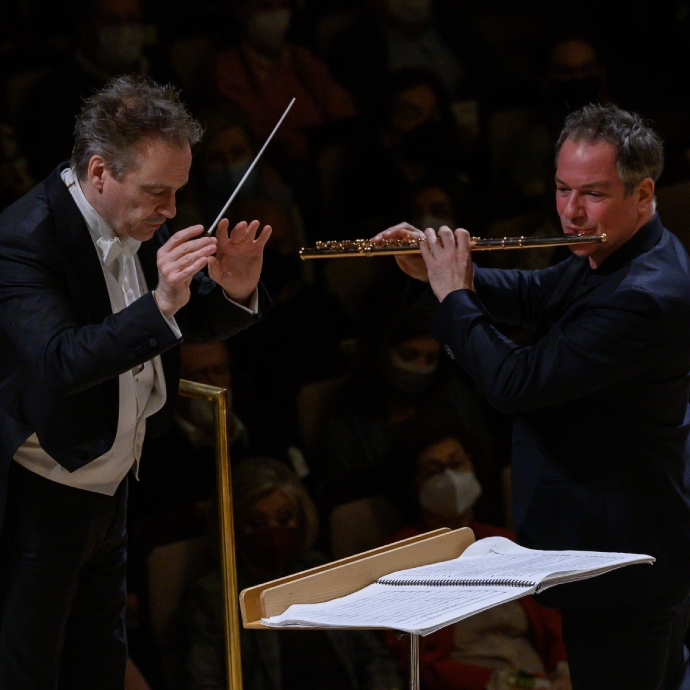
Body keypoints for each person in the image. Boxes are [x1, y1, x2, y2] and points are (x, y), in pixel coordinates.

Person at [374, 103, 690, 689]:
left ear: (644, 193)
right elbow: (536, 291)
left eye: (592, 194)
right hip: (605, 549)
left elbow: (515, 384)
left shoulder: (646, 295)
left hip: (622, 559)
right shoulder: (614, 250)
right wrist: (443, 269)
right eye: (562, 190)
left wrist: (453, 294)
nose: (571, 213)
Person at [0, 75, 271, 689]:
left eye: (177, 192)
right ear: (100, 172)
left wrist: (233, 288)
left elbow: (175, 314)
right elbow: (61, 361)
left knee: (99, 665)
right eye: (157, 193)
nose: (172, 211)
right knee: (28, 671)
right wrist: (162, 300)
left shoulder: (133, 216)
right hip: (45, 493)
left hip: (115, 482)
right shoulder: (23, 239)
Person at [182, 456, 402, 690]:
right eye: (256, 523)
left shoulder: (320, 570)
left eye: (284, 519)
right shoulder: (213, 595)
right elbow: (202, 680)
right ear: (233, 526)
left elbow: (372, 655)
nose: (273, 533)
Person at [384, 422, 570, 690]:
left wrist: (563, 672)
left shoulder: (505, 542)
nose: (450, 478)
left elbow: (552, 621)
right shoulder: (397, 559)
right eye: (433, 472)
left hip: (542, 680)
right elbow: (417, 659)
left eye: (457, 464)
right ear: (412, 486)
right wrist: (505, 684)